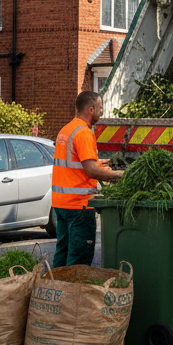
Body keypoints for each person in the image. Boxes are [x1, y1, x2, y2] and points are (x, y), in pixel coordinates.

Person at [51, 91, 122, 268]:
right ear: (91, 109)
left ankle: (55, 290)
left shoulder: (66, 130)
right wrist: (120, 175)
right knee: (79, 259)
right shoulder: (84, 133)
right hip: (79, 206)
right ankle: (72, 293)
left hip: (61, 203)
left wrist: (98, 162)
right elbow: (90, 170)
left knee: (63, 251)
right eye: (100, 109)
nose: (101, 112)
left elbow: (75, 162)